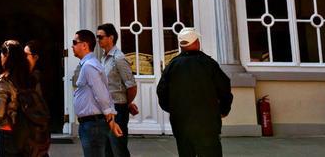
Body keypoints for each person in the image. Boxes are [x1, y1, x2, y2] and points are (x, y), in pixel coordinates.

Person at [156, 29, 233, 157]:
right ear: (196, 42)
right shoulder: (209, 64)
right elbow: (224, 88)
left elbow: (161, 91)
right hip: (207, 123)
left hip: (181, 123)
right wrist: (224, 110)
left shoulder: (172, 65)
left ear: (181, 45)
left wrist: (173, 109)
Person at [71, 30, 121, 157]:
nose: (72, 46)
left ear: (84, 45)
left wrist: (110, 119)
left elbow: (102, 94)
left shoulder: (89, 66)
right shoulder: (89, 64)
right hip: (90, 123)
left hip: (93, 125)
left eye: (74, 42)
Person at [95, 24, 137, 157]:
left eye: (100, 37)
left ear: (110, 38)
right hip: (107, 110)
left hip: (118, 109)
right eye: (97, 37)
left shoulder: (118, 58)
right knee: (108, 150)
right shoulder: (104, 57)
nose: (98, 40)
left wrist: (126, 103)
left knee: (118, 148)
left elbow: (131, 86)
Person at [0, 39, 33, 157]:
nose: (0, 57)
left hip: (8, 131)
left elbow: (0, 113)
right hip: (27, 132)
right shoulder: (29, 78)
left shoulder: (4, 81)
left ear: (7, 56)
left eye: (2, 54)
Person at [22, 41, 51, 157]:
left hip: (36, 128)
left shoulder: (35, 78)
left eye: (25, 55)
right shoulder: (29, 75)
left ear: (36, 57)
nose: (22, 58)